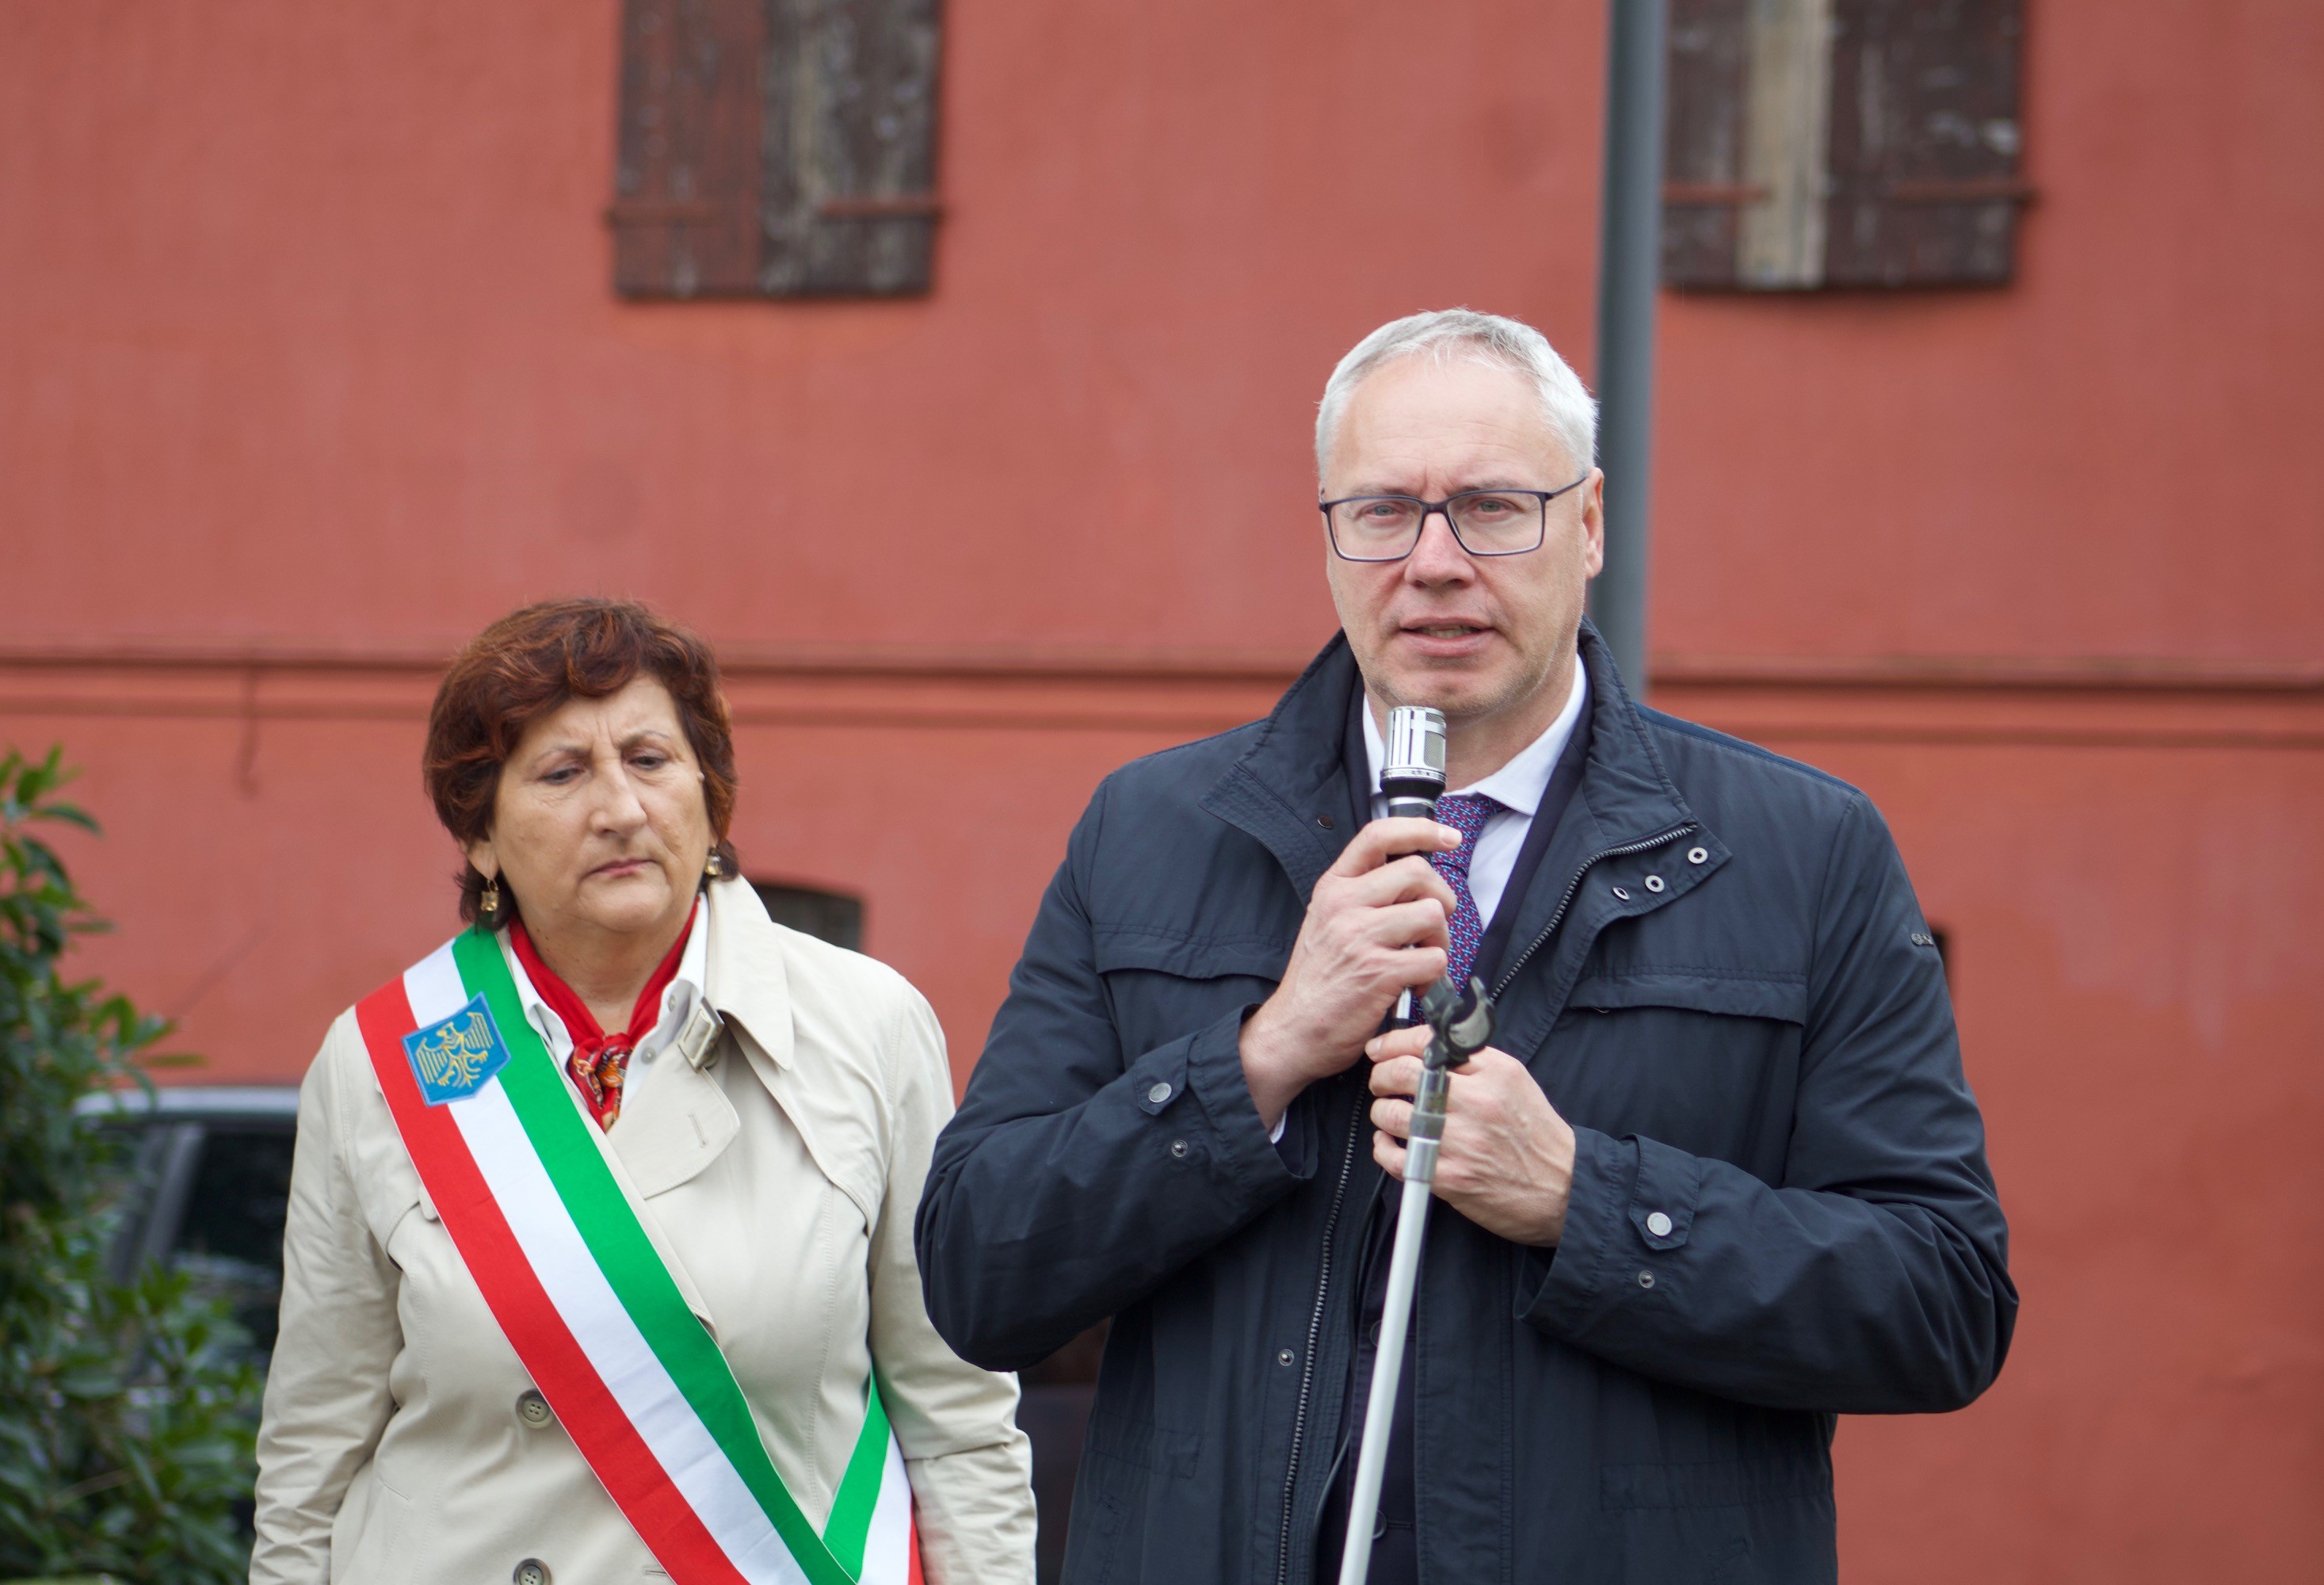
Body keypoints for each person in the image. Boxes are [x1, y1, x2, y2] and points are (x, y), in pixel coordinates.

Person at [915, 310, 2014, 1583]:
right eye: (1383, 512)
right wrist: (1259, 1061)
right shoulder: (1150, 831)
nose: (1434, 562)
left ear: (1590, 524)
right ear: (1326, 534)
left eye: (1494, 507)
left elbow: (1943, 1306)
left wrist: (1589, 1201)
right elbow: (978, 1271)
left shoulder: (1803, 853)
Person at [251, 598, 1034, 1584]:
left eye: (652, 760)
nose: (621, 807)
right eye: (563, 771)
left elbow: (958, 1417)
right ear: (483, 837)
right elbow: (313, 1448)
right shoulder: (379, 1056)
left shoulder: (869, 1024)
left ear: (711, 797)